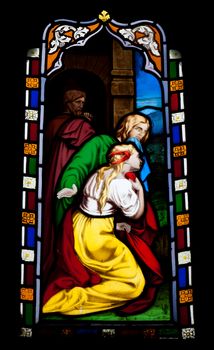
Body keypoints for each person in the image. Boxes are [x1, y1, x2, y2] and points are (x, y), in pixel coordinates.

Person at [42, 112, 163, 315]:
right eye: (138, 129)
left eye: (146, 131)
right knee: (133, 281)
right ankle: (71, 300)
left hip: (95, 224)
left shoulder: (112, 168)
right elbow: (79, 166)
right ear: (125, 128)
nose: (142, 135)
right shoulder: (102, 143)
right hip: (96, 233)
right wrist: (72, 185)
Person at [42, 84, 96, 283]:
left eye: (83, 102)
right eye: (78, 102)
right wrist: (81, 122)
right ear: (68, 103)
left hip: (71, 174)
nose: (82, 105)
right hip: (59, 173)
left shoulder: (75, 123)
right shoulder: (69, 124)